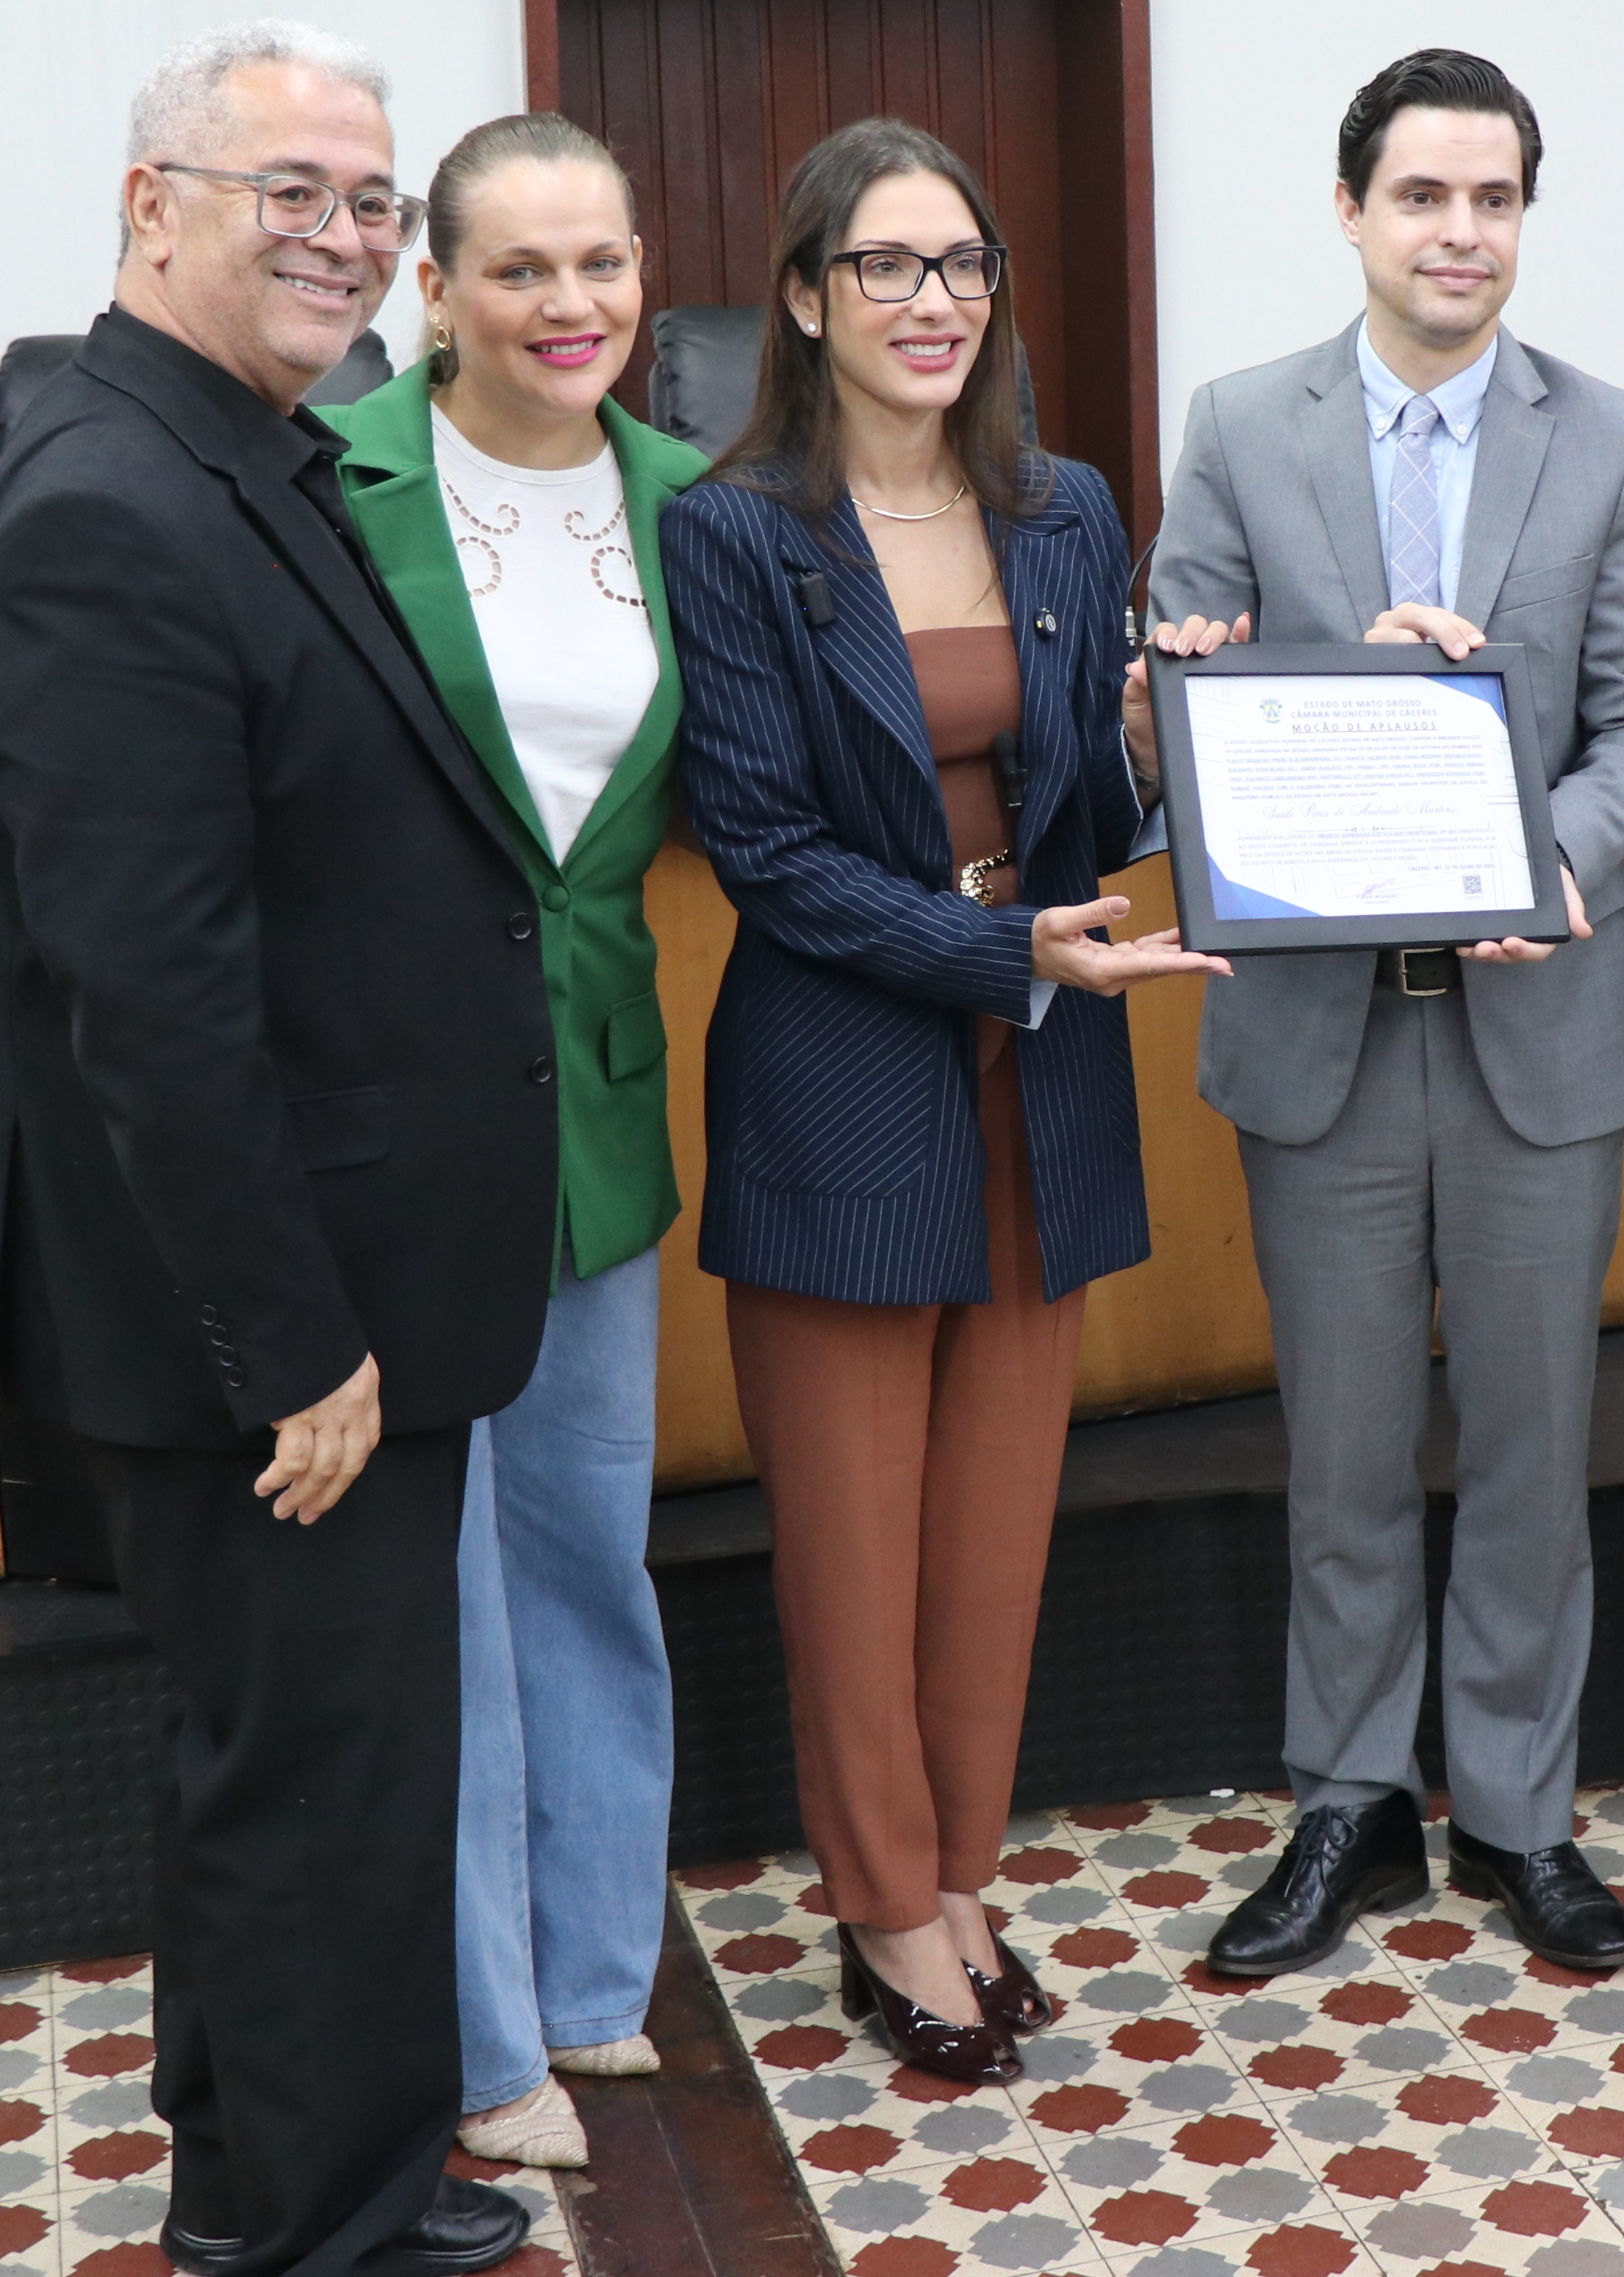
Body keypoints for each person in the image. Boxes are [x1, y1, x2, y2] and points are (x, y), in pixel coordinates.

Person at [0, 22, 547, 2277]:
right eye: (291, 189)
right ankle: (314, 2238)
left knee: (310, 1783)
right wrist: (293, 1345)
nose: (344, 237)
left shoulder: (235, 456)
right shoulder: (107, 509)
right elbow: (154, 1004)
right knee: (315, 1799)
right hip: (272, 1335)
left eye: (372, 201)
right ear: (152, 205)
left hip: (325, 1293)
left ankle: (302, 2186)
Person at [656, 117, 1223, 2087]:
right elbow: (765, 851)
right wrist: (1006, 954)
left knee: (991, 1530)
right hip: (848, 1071)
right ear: (804, 299)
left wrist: (1146, 745)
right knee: (852, 1538)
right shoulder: (735, 530)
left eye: (963, 264)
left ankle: (963, 1872)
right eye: (887, 265)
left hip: (1038, 1077)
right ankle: (884, 1900)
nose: (934, 300)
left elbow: (1088, 812)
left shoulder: (1064, 509)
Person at [1144, 51, 1624, 1979]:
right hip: (1328, 1032)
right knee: (1347, 1452)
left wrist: (1551, 857)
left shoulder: (1610, 436)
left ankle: (1524, 1813)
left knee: (1537, 1449)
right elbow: (1177, 708)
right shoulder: (1239, 424)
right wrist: (1266, 682)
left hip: (1540, 1023)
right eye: (1424, 196)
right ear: (1352, 210)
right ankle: (1351, 1803)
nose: (1462, 232)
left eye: (1495, 199)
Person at [318, 113, 700, 2171]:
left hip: (599, 1105)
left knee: (583, 1553)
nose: (571, 306)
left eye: (602, 263)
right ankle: (481, 2037)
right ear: (436, 290)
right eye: (521, 269)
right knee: (439, 1589)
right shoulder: (328, 478)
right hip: (395, 1112)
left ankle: (589, 1974)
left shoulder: (695, 500)